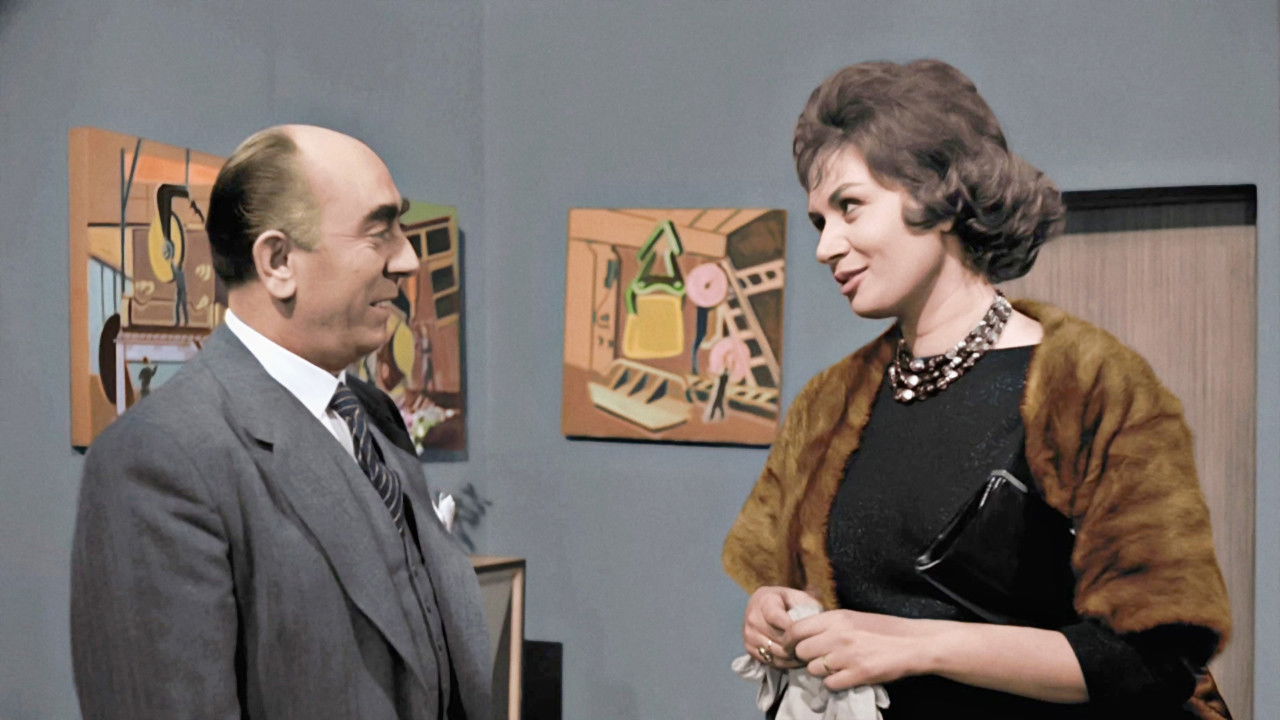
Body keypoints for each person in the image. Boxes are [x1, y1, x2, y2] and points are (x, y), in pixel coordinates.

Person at [723, 60, 1232, 719]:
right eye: (821, 222)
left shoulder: (1091, 386)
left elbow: (1154, 659)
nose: (826, 247)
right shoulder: (829, 403)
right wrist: (772, 609)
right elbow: (802, 582)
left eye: (850, 207)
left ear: (939, 195)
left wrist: (920, 644)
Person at [70, 125, 491, 720]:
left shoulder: (374, 416)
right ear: (278, 262)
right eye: (380, 231)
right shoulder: (159, 459)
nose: (409, 259)